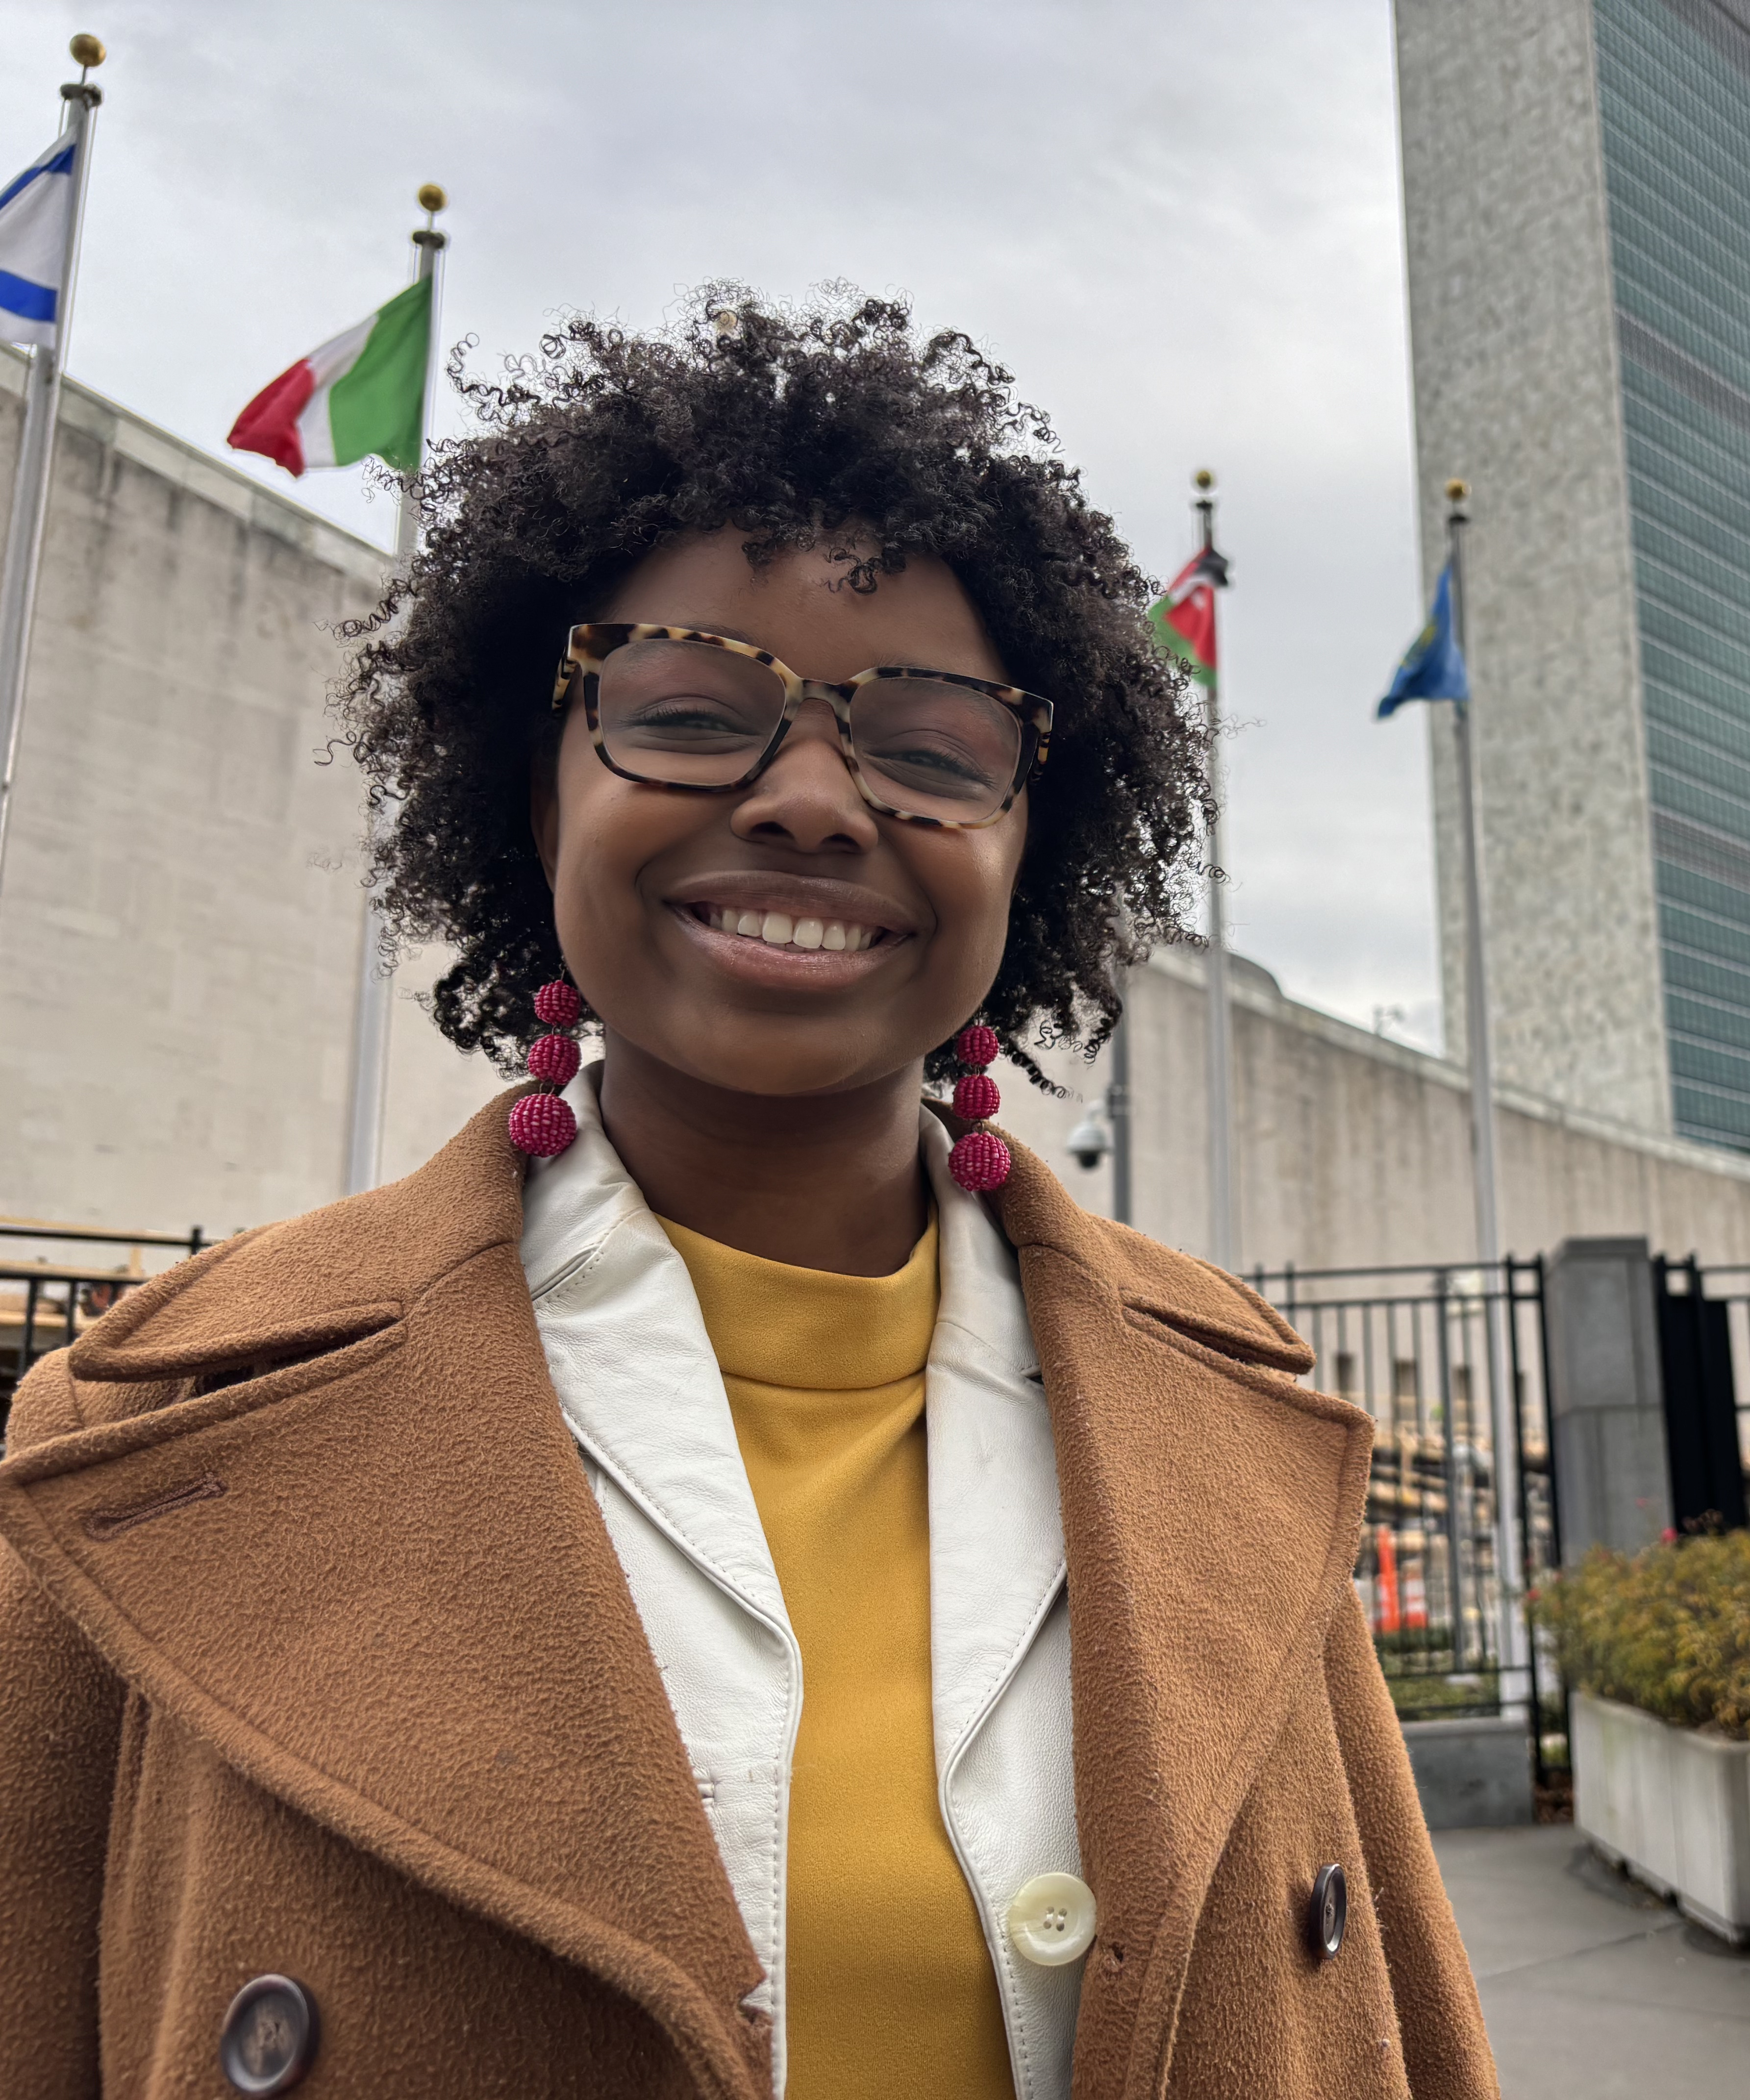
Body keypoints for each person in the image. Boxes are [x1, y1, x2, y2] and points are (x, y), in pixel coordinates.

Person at [0, 294, 1498, 2100]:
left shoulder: (1243, 1430)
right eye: (687, 709)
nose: (809, 799)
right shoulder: (144, 1430)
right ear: (533, 799)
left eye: (934, 746)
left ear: (1034, 844)